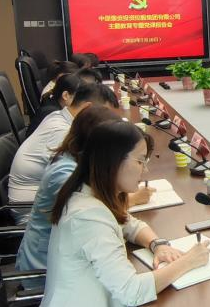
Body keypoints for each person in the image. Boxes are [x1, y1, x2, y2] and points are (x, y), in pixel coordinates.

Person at [20, 121, 210, 307]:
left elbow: (129, 224)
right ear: (113, 161)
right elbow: (131, 291)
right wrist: (188, 261)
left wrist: (157, 244)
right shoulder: (88, 216)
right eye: (140, 161)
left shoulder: (88, 194)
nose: (145, 169)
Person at [15, 106, 154, 275]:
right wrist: (133, 199)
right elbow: (129, 287)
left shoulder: (80, 164)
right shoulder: (66, 175)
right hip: (43, 269)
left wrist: (156, 243)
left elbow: (123, 219)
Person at [8, 83, 118, 222]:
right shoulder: (62, 133)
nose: (107, 125)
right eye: (105, 117)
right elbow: (80, 192)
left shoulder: (58, 116)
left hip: (52, 204)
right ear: (87, 109)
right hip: (34, 214)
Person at [27, 73, 82, 137]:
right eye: (78, 97)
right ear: (65, 95)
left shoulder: (52, 101)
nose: (80, 101)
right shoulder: (53, 114)